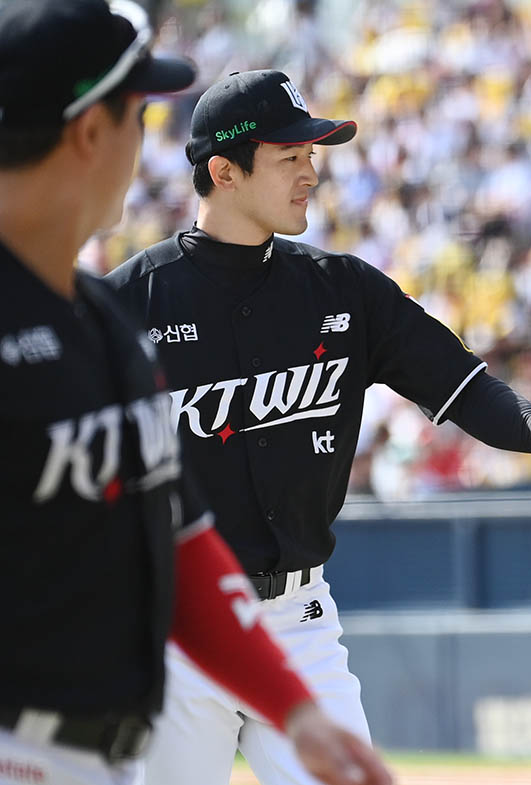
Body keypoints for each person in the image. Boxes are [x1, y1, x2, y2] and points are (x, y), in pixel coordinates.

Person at [105, 69, 531, 784]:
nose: (311, 171)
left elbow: (460, 382)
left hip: (300, 618)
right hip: (177, 629)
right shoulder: (128, 303)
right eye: (290, 157)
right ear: (224, 170)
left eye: (313, 155)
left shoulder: (342, 288)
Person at [0, 3, 392, 785]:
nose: (143, 145)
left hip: (93, 751)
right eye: (136, 115)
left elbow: (178, 540)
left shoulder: (106, 324)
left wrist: (296, 706)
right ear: (88, 134)